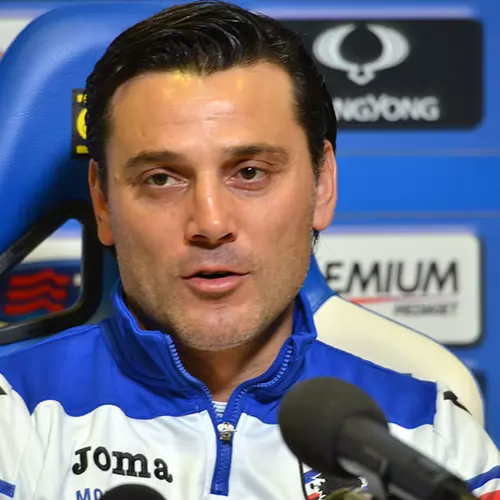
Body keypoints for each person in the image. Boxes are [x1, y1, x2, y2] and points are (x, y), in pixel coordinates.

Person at [0, 2, 498, 499]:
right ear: (103, 202)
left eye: (250, 173)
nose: (211, 224)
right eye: (162, 179)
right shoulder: (14, 416)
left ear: (322, 184)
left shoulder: (430, 438)